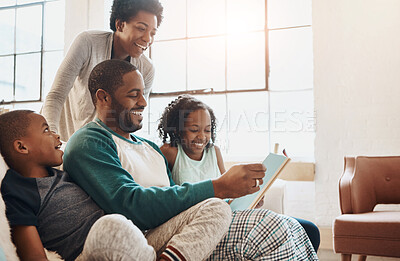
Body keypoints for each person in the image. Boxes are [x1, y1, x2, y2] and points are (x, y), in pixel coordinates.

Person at [63, 59, 319, 260]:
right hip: (145, 237)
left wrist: (234, 195)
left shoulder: (148, 147)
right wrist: (218, 187)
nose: (143, 101)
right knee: (270, 229)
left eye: (143, 93)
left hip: (183, 227)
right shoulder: (90, 141)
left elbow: (175, 194)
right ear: (103, 97)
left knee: (296, 229)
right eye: (133, 94)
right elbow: (131, 205)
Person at [0, 110, 231, 261]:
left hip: (135, 241)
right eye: (46, 130)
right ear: (22, 147)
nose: (56, 134)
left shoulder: (64, 174)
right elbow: (32, 253)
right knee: (111, 224)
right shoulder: (18, 189)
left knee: (216, 207)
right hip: (91, 250)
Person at [158, 94, 321, 252]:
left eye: (207, 130)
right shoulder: (170, 152)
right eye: (194, 130)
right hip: (205, 223)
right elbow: (167, 199)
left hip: (228, 213)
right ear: (178, 130)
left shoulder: (214, 152)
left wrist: (250, 199)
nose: (202, 136)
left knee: (309, 230)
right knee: (282, 230)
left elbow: (228, 191)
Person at [42, 0, 163, 141]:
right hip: (62, 139)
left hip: (101, 147)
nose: (148, 39)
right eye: (141, 29)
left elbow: (133, 117)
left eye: (153, 33)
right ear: (120, 25)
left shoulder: (146, 69)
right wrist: (51, 137)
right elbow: (56, 96)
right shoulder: (88, 43)